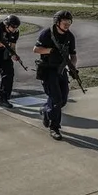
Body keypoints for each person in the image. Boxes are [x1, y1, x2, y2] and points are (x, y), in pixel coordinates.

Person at [33, 10, 76, 140]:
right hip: (48, 70)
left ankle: (46, 111)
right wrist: (50, 51)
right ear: (57, 22)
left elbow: (73, 55)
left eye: (69, 22)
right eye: (65, 22)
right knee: (56, 100)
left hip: (61, 70)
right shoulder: (47, 34)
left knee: (63, 100)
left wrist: (73, 67)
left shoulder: (70, 37)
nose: (67, 25)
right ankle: (54, 127)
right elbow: (36, 49)